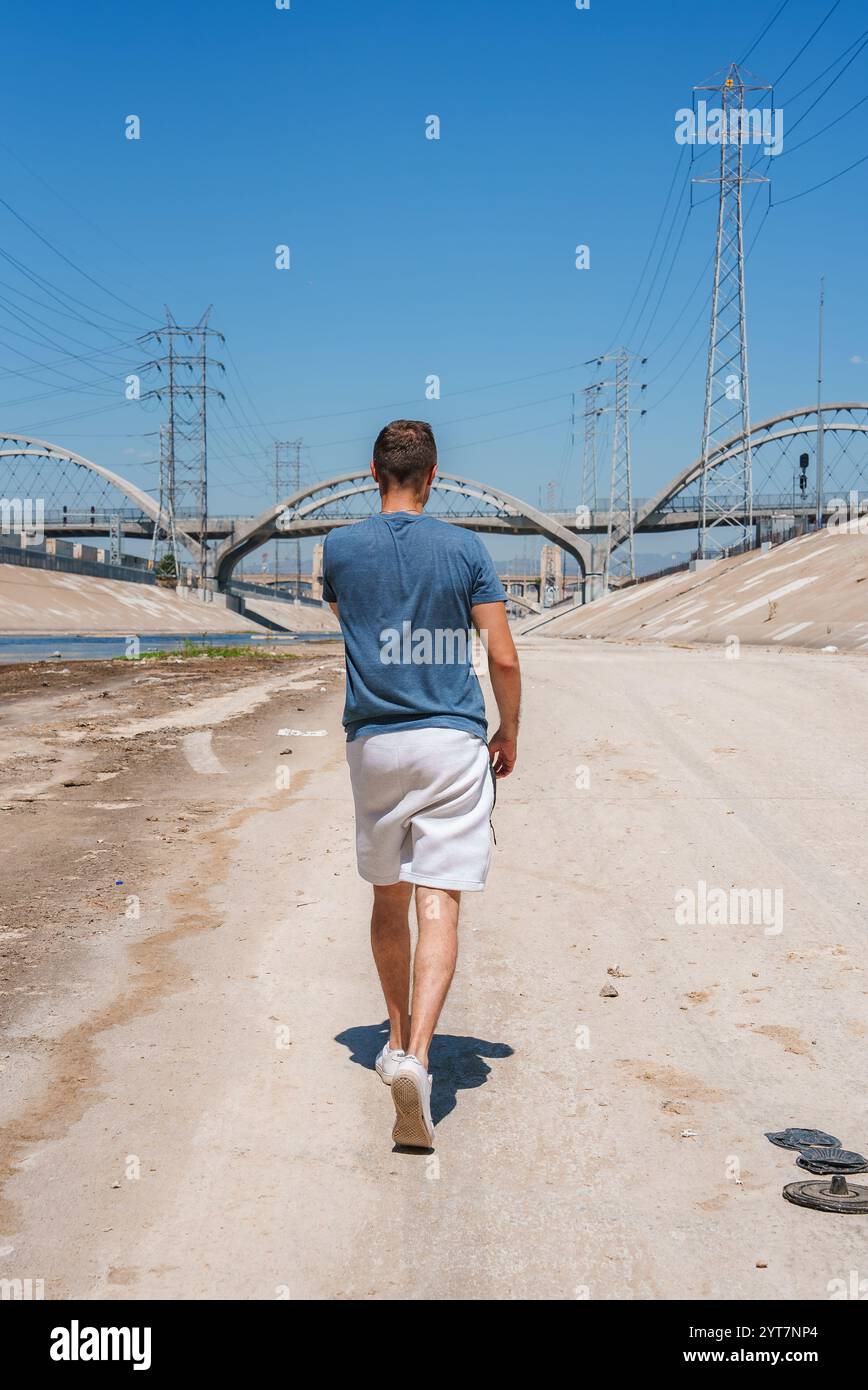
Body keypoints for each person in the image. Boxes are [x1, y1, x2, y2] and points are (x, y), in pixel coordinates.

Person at [322, 419, 521, 1148]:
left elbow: (355, 622)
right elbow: (501, 655)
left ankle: (392, 1035)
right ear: (434, 475)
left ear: (373, 471)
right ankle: (419, 1056)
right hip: (450, 741)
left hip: (374, 741)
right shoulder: (466, 548)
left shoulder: (339, 547)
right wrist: (509, 732)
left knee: (388, 895)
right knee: (440, 898)